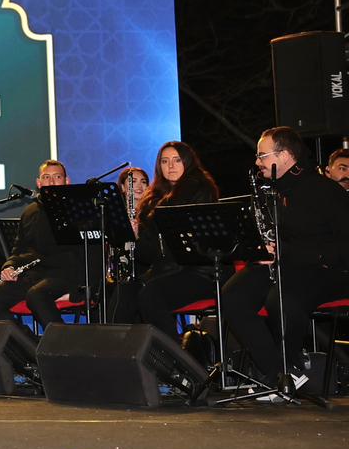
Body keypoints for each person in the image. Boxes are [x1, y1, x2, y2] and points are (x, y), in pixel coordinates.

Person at [224, 127, 349, 392]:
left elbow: (342, 247)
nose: (257, 162)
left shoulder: (325, 191)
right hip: (282, 266)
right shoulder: (270, 190)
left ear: (285, 155)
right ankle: (275, 376)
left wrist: (287, 252)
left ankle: (291, 367)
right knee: (232, 295)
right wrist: (259, 249)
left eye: (262, 155)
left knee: (279, 299)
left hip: (323, 268)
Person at [130, 142, 221, 337]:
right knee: (125, 291)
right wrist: (136, 236)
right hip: (165, 271)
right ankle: (122, 352)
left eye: (176, 160)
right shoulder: (152, 200)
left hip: (200, 273)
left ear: (187, 162)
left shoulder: (199, 188)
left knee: (151, 294)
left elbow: (196, 245)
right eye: (164, 161)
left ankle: (172, 354)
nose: (170, 166)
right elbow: (147, 255)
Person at [0, 161, 86, 330]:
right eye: (46, 177)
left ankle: (64, 341)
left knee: (36, 295)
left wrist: (80, 289)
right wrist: (9, 266)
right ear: (39, 183)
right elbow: (18, 249)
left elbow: (90, 251)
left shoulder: (78, 209)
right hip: (35, 274)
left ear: (67, 181)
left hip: (66, 274)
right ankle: (27, 343)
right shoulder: (30, 211)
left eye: (57, 177)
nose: (52, 182)